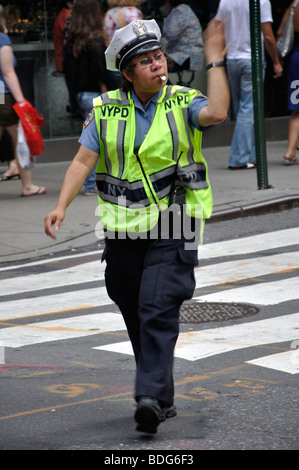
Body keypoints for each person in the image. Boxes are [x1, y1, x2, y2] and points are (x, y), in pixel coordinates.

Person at [44, 18, 229, 433]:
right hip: (123, 229)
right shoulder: (106, 109)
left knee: (156, 308)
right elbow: (82, 161)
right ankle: (161, 395)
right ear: (127, 74)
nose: (157, 66)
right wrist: (60, 206)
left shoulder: (183, 100)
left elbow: (217, 112)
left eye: (159, 57)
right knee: (133, 308)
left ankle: (149, 397)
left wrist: (214, 59)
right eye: (145, 62)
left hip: (174, 221)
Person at [215, 0, 283, 170]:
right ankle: (238, 158)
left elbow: (217, 28)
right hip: (251, 59)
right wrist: (276, 61)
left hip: (232, 59)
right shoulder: (261, 1)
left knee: (242, 110)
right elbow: (268, 36)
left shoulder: (226, 1)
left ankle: (253, 155)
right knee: (248, 109)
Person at [63, 0, 110, 195]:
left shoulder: (72, 41)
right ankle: (92, 183)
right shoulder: (96, 41)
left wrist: (73, 99)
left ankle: (93, 181)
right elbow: (102, 71)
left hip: (80, 94)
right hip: (95, 94)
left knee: (92, 139)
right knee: (98, 141)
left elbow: (67, 74)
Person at [0, 5, 46, 195]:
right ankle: (27, 186)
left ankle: (27, 185)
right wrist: (21, 102)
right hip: (2, 95)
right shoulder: (2, 39)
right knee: (20, 138)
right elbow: (8, 72)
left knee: (17, 138)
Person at [103, 0, 145, 88]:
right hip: (131, 60)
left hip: (114, 61)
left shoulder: (109, 13)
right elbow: (142, 37)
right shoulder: (132, 12)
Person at [277, 0, 299, 165]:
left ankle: (290, 151)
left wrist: (278, 59)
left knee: (297, 110)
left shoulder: (293, 5)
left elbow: (280, 32)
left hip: (295, 58)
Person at [163, 1, 204, 73]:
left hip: (185, 55)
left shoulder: (179, 11)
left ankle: (166, 84)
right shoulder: (186, 9)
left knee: (159, 65)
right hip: (194, 55)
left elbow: (170, 34)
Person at [52, 1, 73, 73]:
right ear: (69, 4)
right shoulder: (67, 16)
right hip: (66, 62)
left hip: (64, 61)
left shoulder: (64, 15)